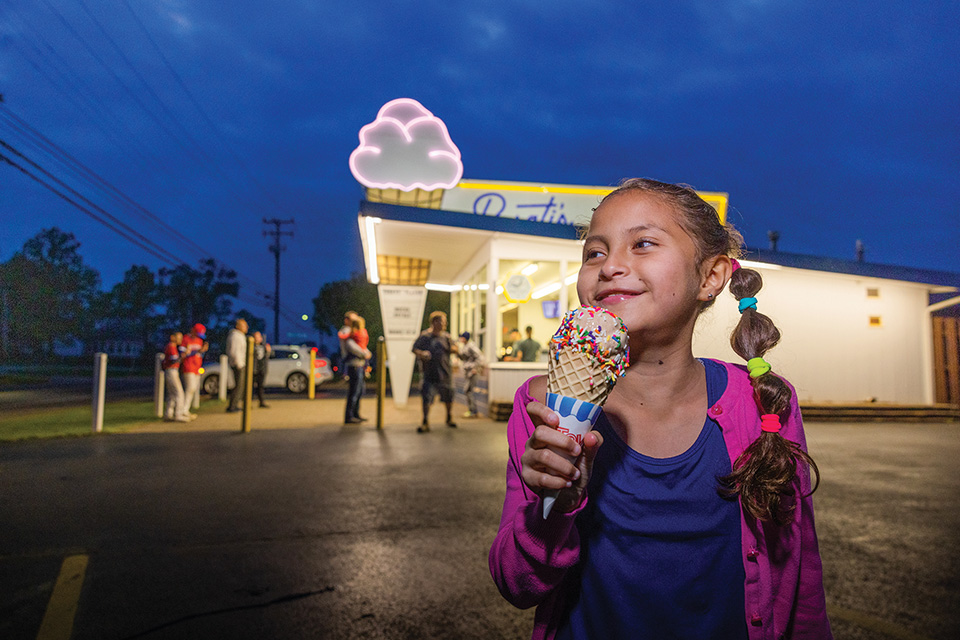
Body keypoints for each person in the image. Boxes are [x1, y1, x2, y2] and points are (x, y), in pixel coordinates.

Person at [489, 179, 832, 639]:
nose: (610, 266)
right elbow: (516, 584)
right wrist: (556, 506)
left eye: (643, 244)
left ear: (711, 277)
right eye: (594, 252)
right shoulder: (540, 406)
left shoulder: (763, 402)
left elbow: (799, 568)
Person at [412, 310, 458, 432]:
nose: (444, 324)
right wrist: (422, 353)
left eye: (444, 322)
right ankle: (425, 421)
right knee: (426, 397)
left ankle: (449, 417)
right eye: (442, 322)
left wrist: (453, 348)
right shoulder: (425, 336)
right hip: (429, 373)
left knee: (448, 397)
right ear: (434, 322)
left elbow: (455, 348)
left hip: (445, 373)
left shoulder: (446, 337)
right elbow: (414, 349)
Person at [340, 313, 371, 424]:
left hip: (360, 365)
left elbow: (362, 346)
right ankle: (350, 416)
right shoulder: (348, 333)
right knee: (354, 392)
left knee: (359, 391)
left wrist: (366, 353)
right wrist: (364, 353)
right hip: (353, 365)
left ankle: (356, 414)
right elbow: (352, 347)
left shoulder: (356, 333)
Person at [181, 323, 208, 417]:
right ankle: (183, 410)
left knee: (193, 389)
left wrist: (203, 350)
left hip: (197, 368)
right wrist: (197, 351)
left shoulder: (199, 341)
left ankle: (186, 410)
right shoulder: (186, 339)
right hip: (188, 367)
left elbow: (199, 354)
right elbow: (183, 354)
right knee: (190, 388)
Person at [161, 332, 189, 422]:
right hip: (171, 371)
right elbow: (174, 360)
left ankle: (168, 414)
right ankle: (178, 414)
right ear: (172, 337)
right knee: (179, 393)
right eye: (178, 338)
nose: (180, 340)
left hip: (171, 371)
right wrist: (183, 355)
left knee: (172, 394)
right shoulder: (171, 346)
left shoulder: (172, 347)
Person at [457, 331, 485, 418]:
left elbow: (480, 357)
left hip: (472, 372)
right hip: (468, 372)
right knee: (468, 391)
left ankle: (473, 411)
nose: (460, 339)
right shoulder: (465, 346)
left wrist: (475, 368)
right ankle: (472, 410)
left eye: (462, 337)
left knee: (468, 391)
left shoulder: (471, 346)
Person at [225, 317, 248, 413]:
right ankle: (232, 406)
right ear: (238, 326)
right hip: (238, 364)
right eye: (244, 325)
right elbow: (234, 351)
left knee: (240, 386)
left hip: (240, 363)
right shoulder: (235, 336)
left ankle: (235, 404)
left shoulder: (240, 336)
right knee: (238, 385)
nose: (247, 327)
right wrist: (239, 364)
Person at [252, 331, 271, 408]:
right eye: (256, 336)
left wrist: (268, 351)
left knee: (261, 386)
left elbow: (268, 357)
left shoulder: (264, 346)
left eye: (259, 337)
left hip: (262, 369)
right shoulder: (250, 346)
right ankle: (248, 403)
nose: (258, 338)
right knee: (250, 387)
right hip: (253, 369)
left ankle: (261, 402)